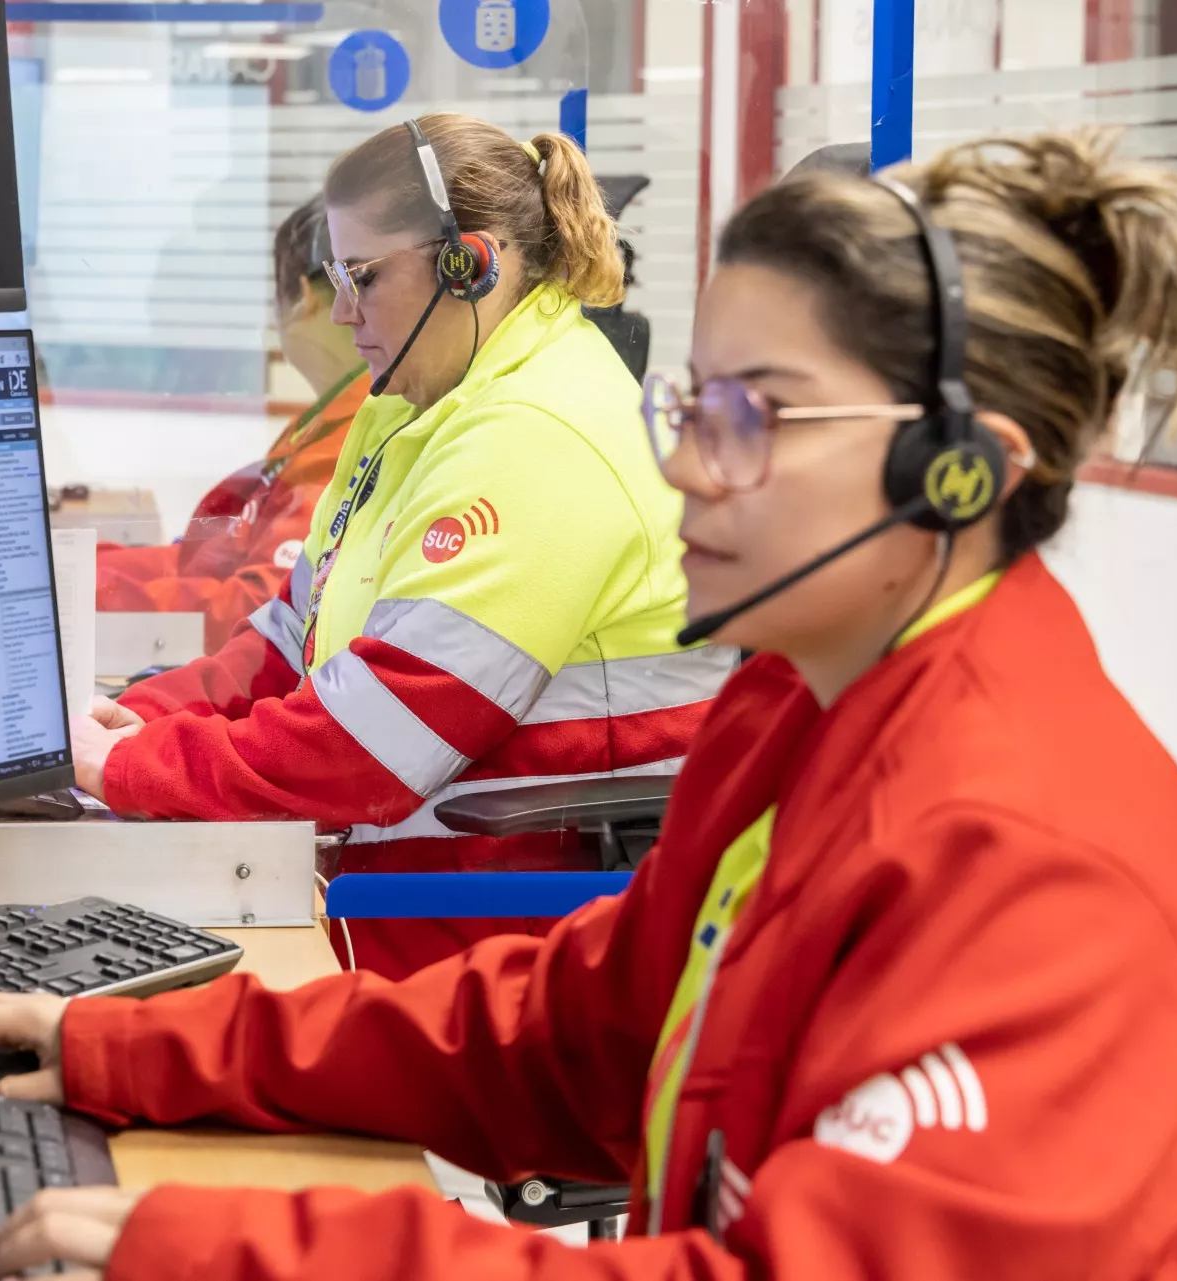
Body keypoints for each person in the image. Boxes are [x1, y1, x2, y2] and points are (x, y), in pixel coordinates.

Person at [0, 129, 1177, 1279]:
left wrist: (245, 1247)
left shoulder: (1028, 858)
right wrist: (129, 1045)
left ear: (959, 473)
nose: (687, 467)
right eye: (695, 401)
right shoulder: (800, 707)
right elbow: (582, 1031)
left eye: (754, 416)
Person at [74, 113, 732, 978]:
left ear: (471, 263)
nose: (343, 311)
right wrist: (146, 717)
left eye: (364, 277)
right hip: (390, 893)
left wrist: (127, 769)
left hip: (503, 936)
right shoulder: (410, 406)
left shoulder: (539, 435)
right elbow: (292, 632)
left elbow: (370, 746)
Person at [95, 198, 368, 655]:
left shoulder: (351, 438)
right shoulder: (324, 421)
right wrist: (85, 567)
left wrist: (94, 592)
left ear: (301, 295)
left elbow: (257, 608)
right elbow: (199, 560)